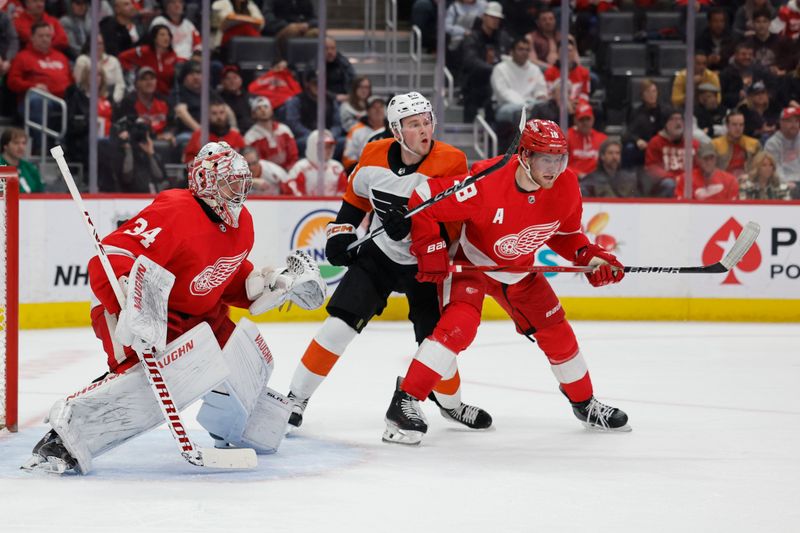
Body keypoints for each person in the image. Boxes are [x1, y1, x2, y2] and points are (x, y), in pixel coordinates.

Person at [21, 142, 326, 474]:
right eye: (230, 182)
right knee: (159, 379)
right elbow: (110, 258)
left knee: (247, 356)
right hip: (139, 308)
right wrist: (130, 303)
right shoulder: (176, 209)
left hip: (199, 315)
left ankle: (244, 427)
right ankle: (64, 438)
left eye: (242, 182)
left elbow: (220, 278)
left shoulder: (243, 223)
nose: (240, 191)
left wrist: (265, 286)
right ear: (206, 182)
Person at [381, 118, 629, 446]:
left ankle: (584, 404)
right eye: (546, 159)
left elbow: (566, 235)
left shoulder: (566, 184)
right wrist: (430, 249)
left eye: (559, 159)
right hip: (472, 265)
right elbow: (424, 198)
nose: (554, 168)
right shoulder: (486, 182)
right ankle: (404, 402)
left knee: (558, 332)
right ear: (525, 156)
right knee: (459, 327)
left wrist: (590, 257)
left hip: (520, 272)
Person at [285, 92, 492, 433]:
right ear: (396, 131)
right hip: (379, 256)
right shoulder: (373, 154)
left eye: (427, 121)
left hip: (427, 261)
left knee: (435, 344)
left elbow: (454, 219)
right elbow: (355, 202)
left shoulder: (451, 160)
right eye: (414, 124)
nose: (425, 129)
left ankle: (451, 406)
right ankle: (295, 398)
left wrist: (418, 224)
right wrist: (340, 234)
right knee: (339, 325)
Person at [644, 109, 698, 198]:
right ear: (665, 123)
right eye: (673, 119)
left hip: (689, 181)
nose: (678, 122)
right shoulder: (656, 142)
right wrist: (675, 178)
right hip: (665, 183)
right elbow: (652, 168)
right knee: (669, 184)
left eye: (680, 119)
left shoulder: (693, 144)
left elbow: (699, 167)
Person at [118, 24, 179, 98]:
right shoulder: (143, 51)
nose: (166, 38)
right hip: (145, 94)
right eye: (162, 35)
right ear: (154, 38)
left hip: (166, 96)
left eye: (168, 35)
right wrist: (132, 70)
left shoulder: (172, 55)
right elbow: (122, 57)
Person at [282, 129, 346, 196]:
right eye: (324, 146)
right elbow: (294, 195)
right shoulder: (301, 168)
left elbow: (343, 193)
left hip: (333, 206)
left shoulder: (337, 168)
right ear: (313, 146)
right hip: (305, 205)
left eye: (330, 146)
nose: (328, 150)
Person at [243, 96, 298, 171]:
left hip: (289, 170)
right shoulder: (250, 137)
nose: (263, 110)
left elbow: (293, 155)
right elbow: (255, 163)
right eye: (258, 108)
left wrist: (290, 169)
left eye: (266, 106)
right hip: (266, 175)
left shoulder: (284, 129)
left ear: (271, 110)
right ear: (253, 114)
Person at [182, 99, 245, 163]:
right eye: (214, 113)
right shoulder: (199, 135)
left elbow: (244, 159)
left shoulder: (235, 136)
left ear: (226, 114)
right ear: (208, 115)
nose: (219, 117)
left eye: (221, 112)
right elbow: (188, 160)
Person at [342, 95, 386, 171]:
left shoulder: (393, 130)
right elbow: (348, 160)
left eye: (381, 107)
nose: (378, 110)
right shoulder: (356, 130)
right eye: (374, 107)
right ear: (367, 111)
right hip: (363, 172)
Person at [711, 110, 760, 178]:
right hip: (723, 182)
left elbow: (759, 168)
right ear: (727, 126)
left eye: (741, 125)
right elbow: (710, 170)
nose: (738, 128)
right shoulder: (715, 144)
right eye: (734, 124)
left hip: (748, 182)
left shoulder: (754, 144)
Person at [764, 107, 800, 197]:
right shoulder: (772, 143)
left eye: (796, 121)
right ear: (781, 123)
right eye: (789, 121)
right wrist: (786, 183)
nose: (794, 124)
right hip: (783, 184)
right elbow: (774, 169)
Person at [566, 102, 606, 179]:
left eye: (588, 119)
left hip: (596, 180)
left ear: (593, 119)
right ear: (575, 120)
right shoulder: (567, 137)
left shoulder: (602, 139)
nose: (585, 123)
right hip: (573, 178)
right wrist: (578, 174)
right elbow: (561, 164)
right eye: (581, 119)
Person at [0, 127, 44, 193]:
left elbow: (41, 193)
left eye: (23, 143)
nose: (21, 147)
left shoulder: (30, 168)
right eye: (16, 143)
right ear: (5, 145)